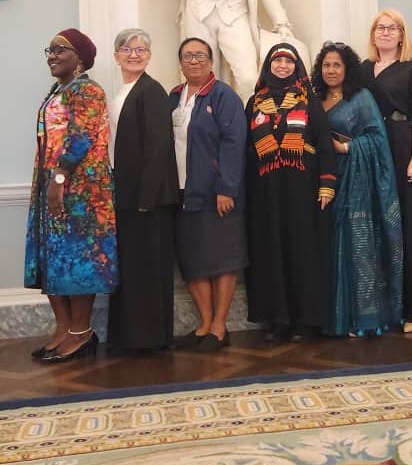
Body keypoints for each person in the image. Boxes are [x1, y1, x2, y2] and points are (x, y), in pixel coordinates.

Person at [24, 28, 118, 362]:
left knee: (77, 259)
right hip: (51, 185)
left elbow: (80, 137)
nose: (52, 55)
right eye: (48, 50)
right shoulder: (57, 90)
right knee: (52, 258)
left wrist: (60, 177)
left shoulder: (87, 90)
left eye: (60, 50)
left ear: (80, 57)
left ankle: (82, 333)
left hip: (81, 192)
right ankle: (63, 330)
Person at [245, 42, 336, 340]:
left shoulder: (309, 101)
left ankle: (307, 321)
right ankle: (277, 319)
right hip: (266, 191)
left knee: (303, 252)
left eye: (288, 61)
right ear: (268, 66)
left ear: (296, 67)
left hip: (303, 189)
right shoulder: (254, 102)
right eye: (277, 61)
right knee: (271, 251)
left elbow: (324, 145)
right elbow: (246, 149)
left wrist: (326, 185)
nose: (282, 66)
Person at [312, 42, 403, 337]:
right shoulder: (316, 99)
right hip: (324, 180)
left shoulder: (361, 98)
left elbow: (377, 138)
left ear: (347, 69)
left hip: (356, 179)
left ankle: (362, 318)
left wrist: (348, 146)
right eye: (326, 65)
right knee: (329, 247)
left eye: (337, 64)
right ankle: (334, 315)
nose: (331, 70)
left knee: (357, 247)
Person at [360, 10, 412, 333]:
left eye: (393, 28)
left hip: (406, 147)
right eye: (381, 27)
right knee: (378, 231)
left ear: (402, 35)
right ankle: (381, 311)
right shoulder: (362, 70)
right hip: (372, 151)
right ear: (373, 33)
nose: (386, 32)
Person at [170, 37, 248, 352]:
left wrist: (226, 187)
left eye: (200, 55)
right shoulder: (173, 97)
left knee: (221, 260)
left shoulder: (223, 96)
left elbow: (234, 143)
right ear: (180, 62)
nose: (194, 60)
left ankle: (219, 326)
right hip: (181, 192)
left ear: (211, 61)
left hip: (215, 193)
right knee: (192, 261)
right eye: (187, 55)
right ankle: (204, 323)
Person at [108, 29, 179, 350]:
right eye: (127, 49)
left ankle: (148, 340)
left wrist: (145, 200)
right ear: (116, 56)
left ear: (149, 57)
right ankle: (129, 336)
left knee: (148, 272)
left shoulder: (151, 91)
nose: (134, 54)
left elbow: (158, 148)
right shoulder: (122, 92)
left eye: (141, 50)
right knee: (132, 271)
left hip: (147, 202)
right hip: (126, 197)